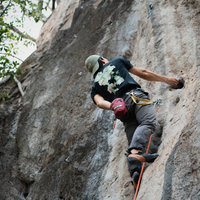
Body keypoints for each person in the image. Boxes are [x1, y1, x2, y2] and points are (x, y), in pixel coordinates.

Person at [85, 55, 179, 189]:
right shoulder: (116, 62)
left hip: (122, 111)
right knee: (148, 122)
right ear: (101, 60)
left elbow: (100, 102)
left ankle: (135, 171)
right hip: (135, 96)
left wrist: (114, 105)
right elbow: (143, 73)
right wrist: (167, 80)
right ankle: (135, 153)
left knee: (132, 137)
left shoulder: (95, 88)